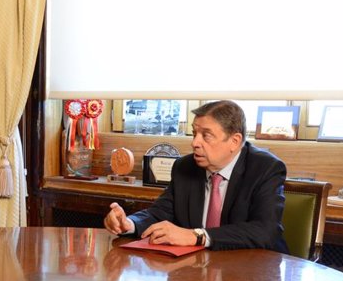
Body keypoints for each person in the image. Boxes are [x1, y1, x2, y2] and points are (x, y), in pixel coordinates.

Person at [104, 100, 288, 252]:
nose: (194, 143)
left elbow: (266, 230)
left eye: (206, 136)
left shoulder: (265, 168)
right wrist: (130, 223)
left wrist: (197, 235)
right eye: (194, 133)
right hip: (198, 270)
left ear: (235, 141)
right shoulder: (185, 166)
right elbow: (160, 213)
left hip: (254, 274)